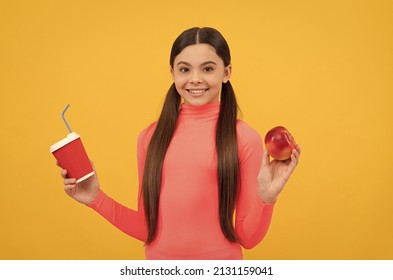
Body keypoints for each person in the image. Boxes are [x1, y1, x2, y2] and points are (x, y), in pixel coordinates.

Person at [59, 27, 301, 260]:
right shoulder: (149, 138)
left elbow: (248, 237)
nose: (195, 79)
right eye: (184, 69)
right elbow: (147, 228)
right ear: (173, 73)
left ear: (226, 73)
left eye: (207, 68)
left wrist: (266, 198)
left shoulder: (244, 138)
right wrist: (95, 198)